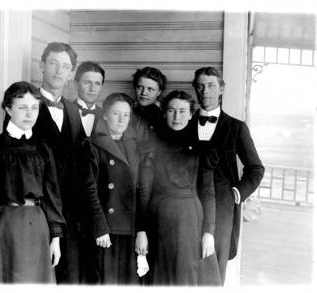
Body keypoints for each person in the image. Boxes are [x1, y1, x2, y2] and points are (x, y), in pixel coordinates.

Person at [0, 81, 65, 283]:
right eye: (22, 107)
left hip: (37, 228)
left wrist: (55, 239)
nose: (30, 114)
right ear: (8, 109)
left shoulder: (43, 149)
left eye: (34, 108)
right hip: (3, 228)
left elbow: (52, 196)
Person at [135, 90, 221, 286]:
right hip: (159, 218)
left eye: (182, 111)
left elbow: (208, 192)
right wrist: (141, 230)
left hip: (190, 220)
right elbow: (144, 191)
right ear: (164, 113)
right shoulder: (151, 147)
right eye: (172, 111)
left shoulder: (202, 148)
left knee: (187, 274)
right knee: (160, 274)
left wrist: (209, 232)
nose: (176, 117)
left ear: (191, 114)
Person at [190, 67, 265, 284]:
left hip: (223, 209)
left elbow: (256, 168)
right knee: (186, 268)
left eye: (211, 85)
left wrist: (236, 193)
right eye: (201, 86)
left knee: (213, 269)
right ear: (195, 88)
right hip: (188, 205)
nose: (205, 91)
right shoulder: (184, 123)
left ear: (221, 89)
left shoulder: (236, 128)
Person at [32, 42, 91, 283]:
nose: (58, 71)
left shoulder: (72, 110)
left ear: (70, 73)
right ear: (41, 66)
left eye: (65, 67)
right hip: (38, 207)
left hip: (71, 213)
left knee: (71, 276)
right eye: (53, 64)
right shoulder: (27, 104)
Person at [85, 93, 140, 284]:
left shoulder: (135, 145)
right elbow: (89, 191)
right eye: (116, 113)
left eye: (126, 115)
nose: (121, 119)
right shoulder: (93, 146)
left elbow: (141, 189)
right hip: (107, 228)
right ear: (106, 115)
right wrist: (100, 228)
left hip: (131, 227)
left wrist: (142, 229)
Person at [130, 67, 167, 148]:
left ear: (159, 92)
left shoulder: (165, 116)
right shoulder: (127, 110)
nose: (144, 93)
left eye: (150, 89)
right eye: (140, 87)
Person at [74, 61, 105, 137]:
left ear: (101, 87)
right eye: (87, 82)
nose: (92, 89)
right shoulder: (64, 112)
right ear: (76, 84)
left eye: (97, 84)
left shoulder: (105, 116)